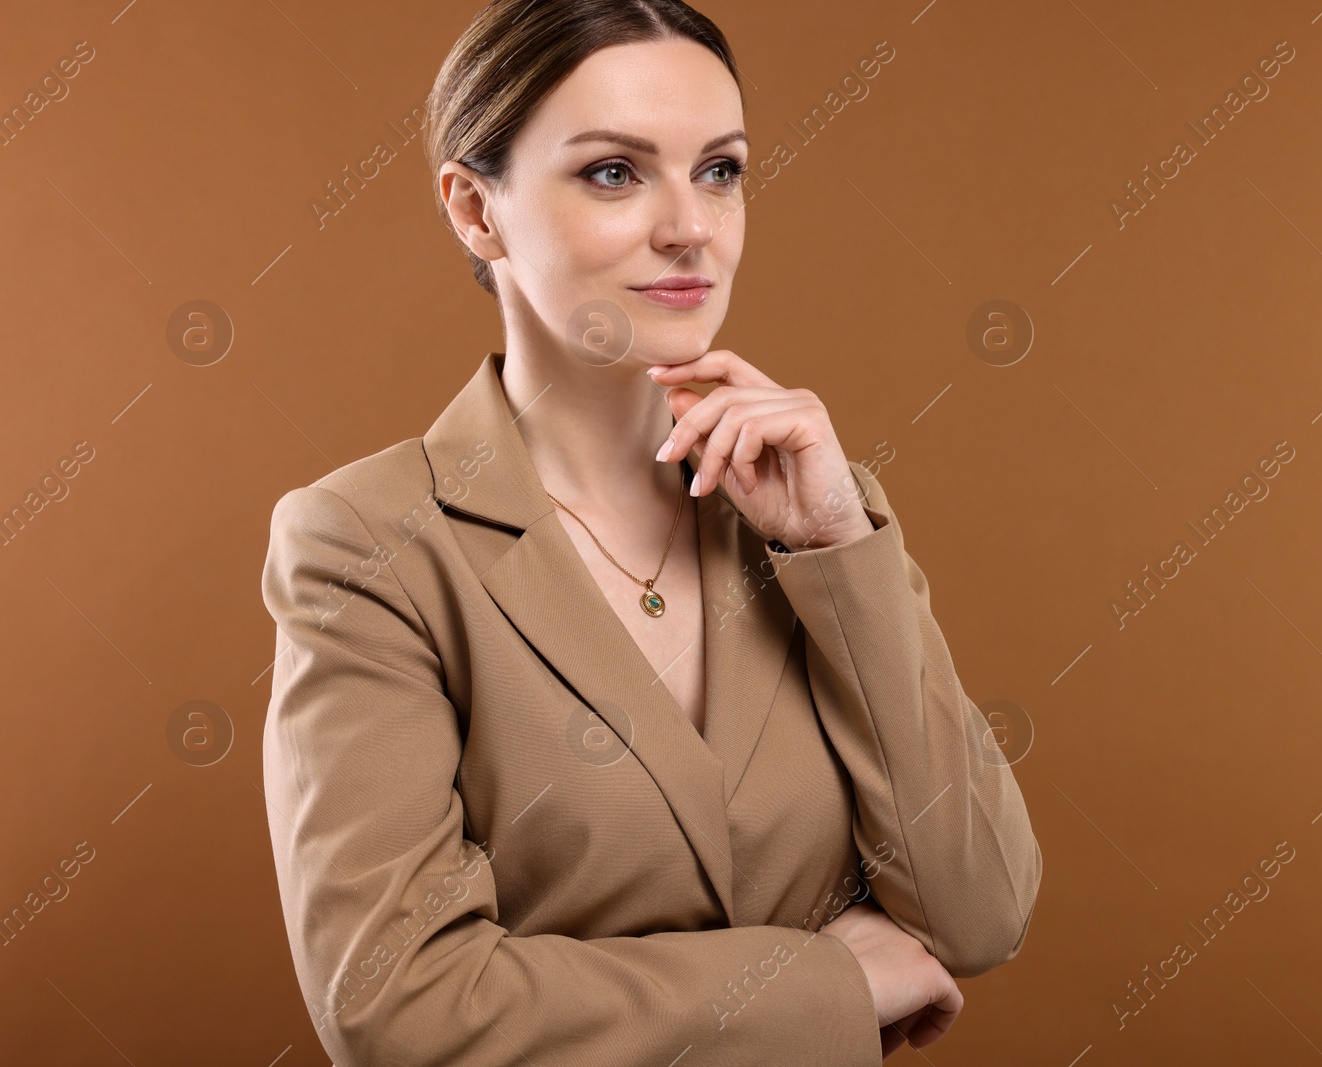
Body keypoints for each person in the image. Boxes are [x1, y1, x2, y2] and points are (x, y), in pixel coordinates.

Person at [259, 2, 1042, 1064]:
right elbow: (397, 1008)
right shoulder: (366, 541)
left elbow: (979, 910)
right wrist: (824, 981)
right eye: (614, 173)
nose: (690, 226)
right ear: (475, 211)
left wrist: (833, 548)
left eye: (719, 170)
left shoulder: (808, 513)